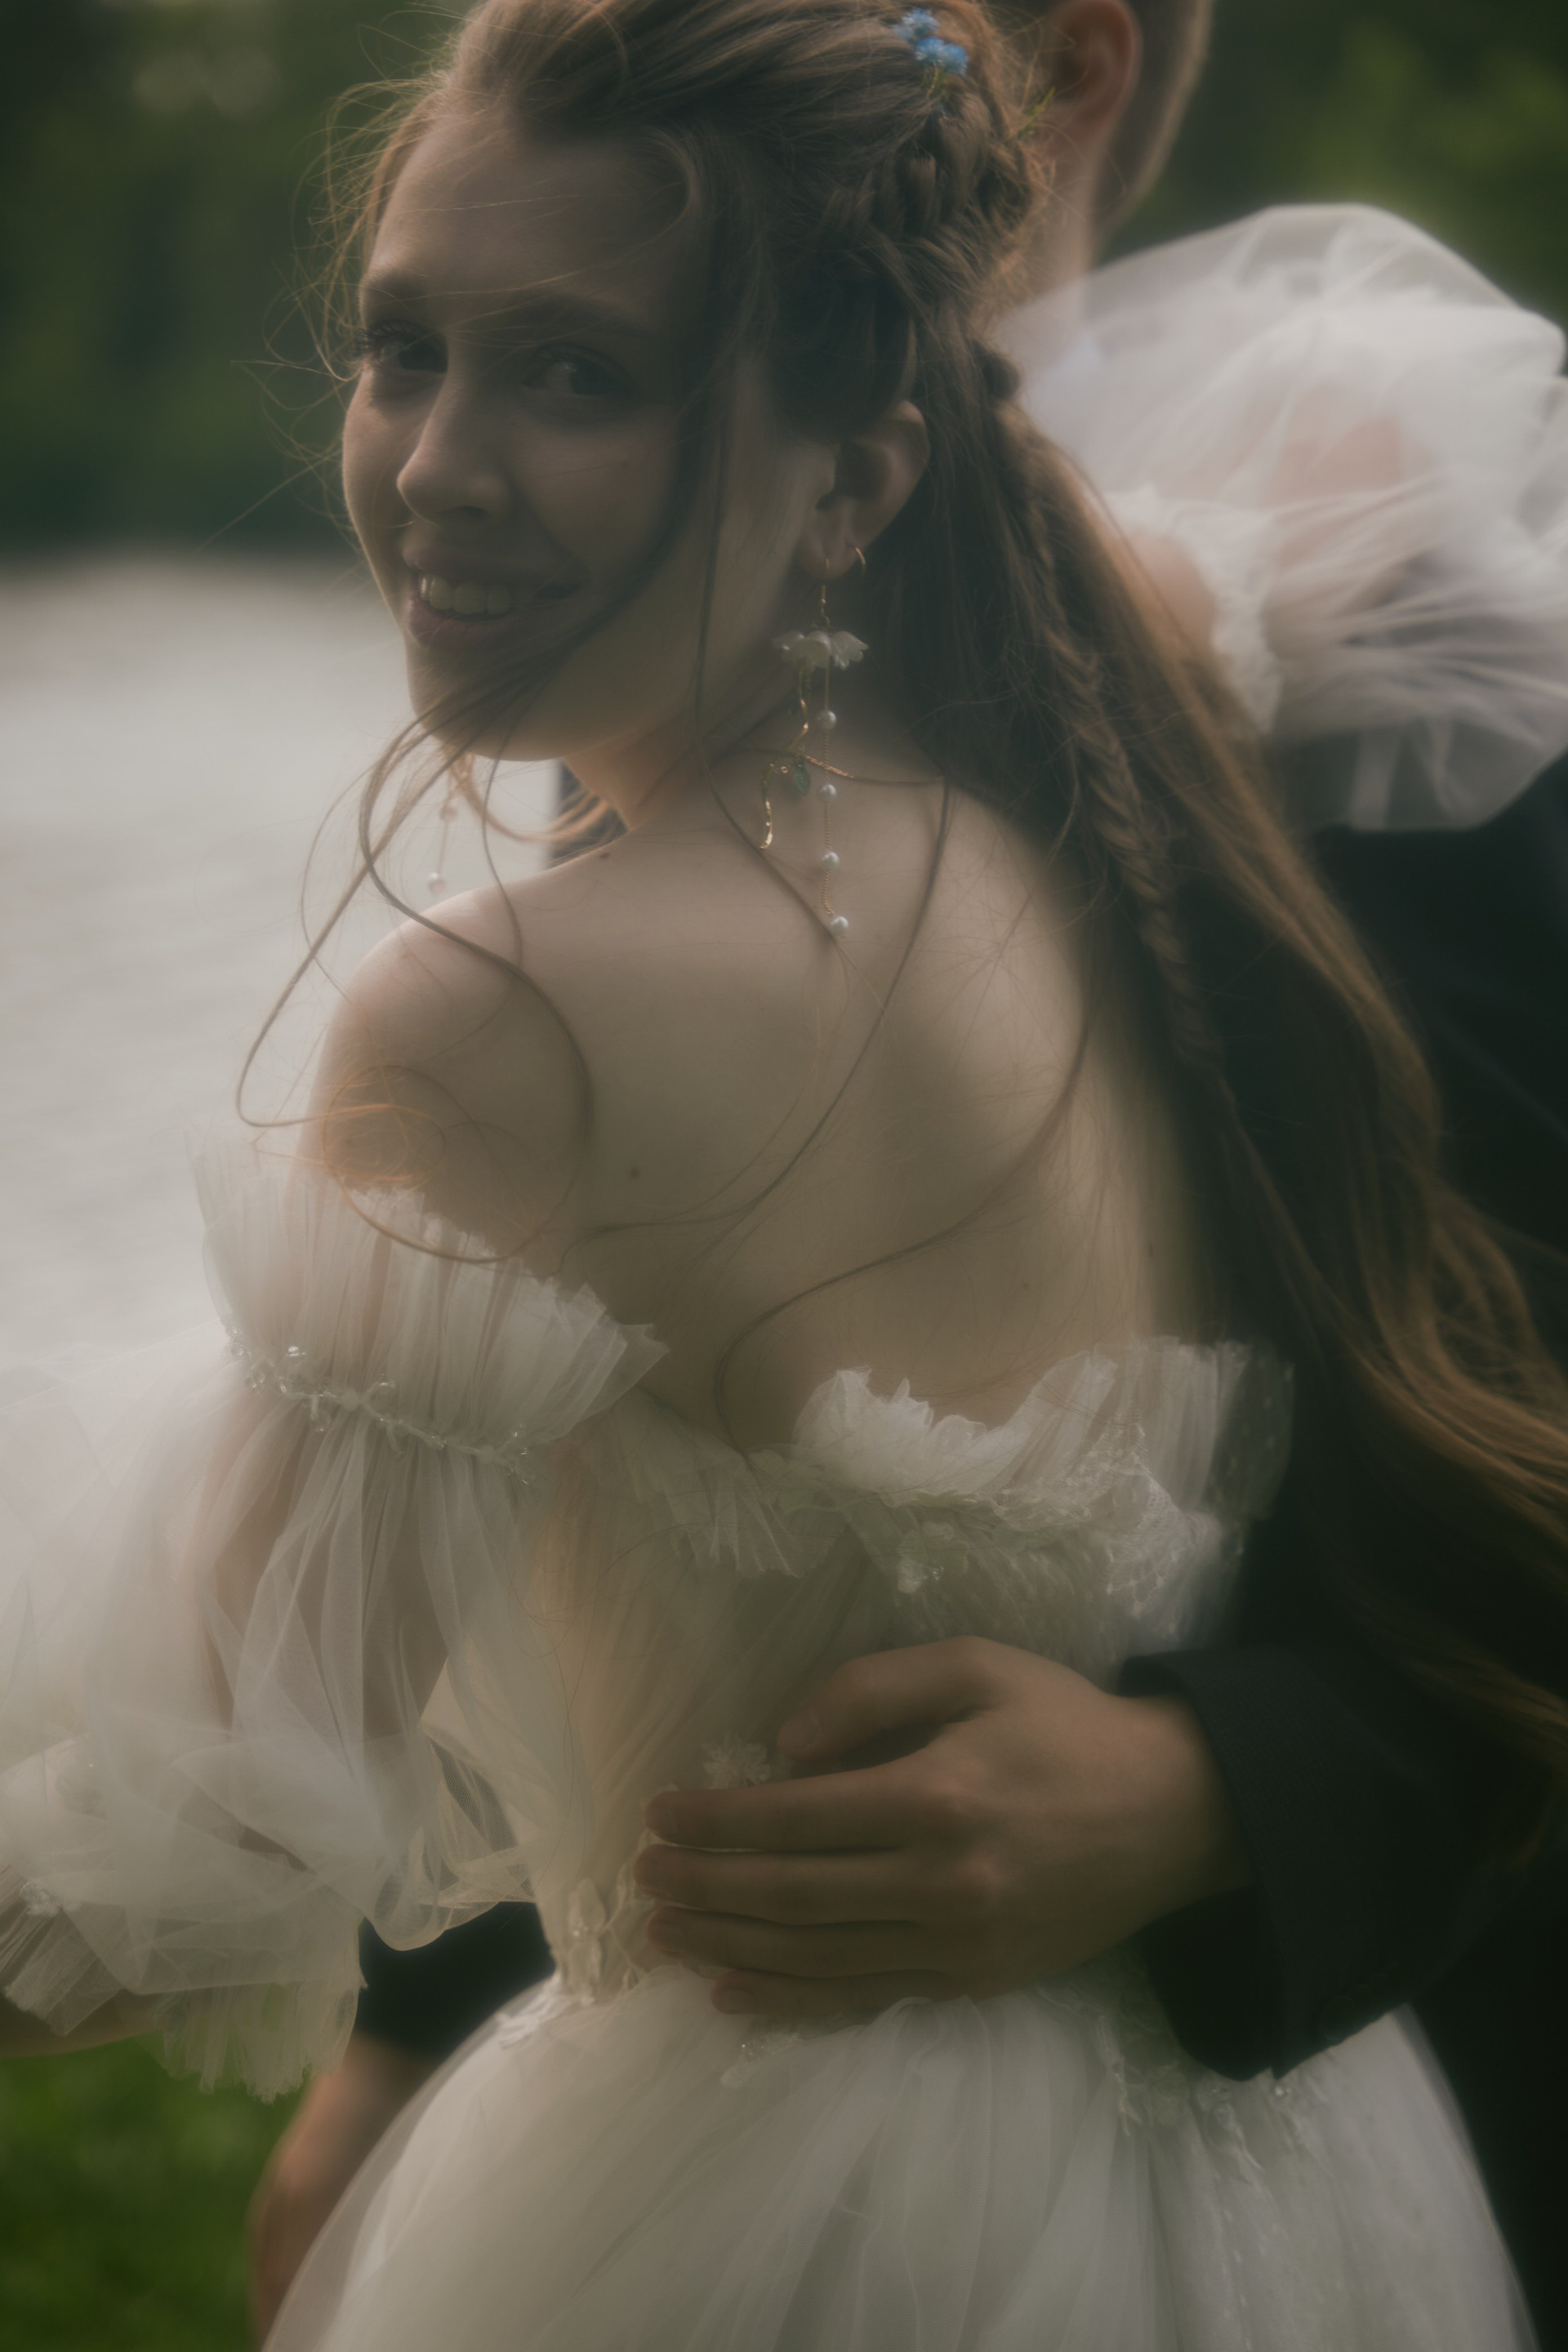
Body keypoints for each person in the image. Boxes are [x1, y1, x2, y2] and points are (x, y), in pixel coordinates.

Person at [4, 2, 1566, 2345]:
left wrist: (1223, 1792)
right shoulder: (1088, 833)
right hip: (1266, 2198)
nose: (437, 467)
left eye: (575, 375)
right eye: (402, 349)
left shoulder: (517, 1009)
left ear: (856, 484)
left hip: (802, 2191)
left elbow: (206, 1847)